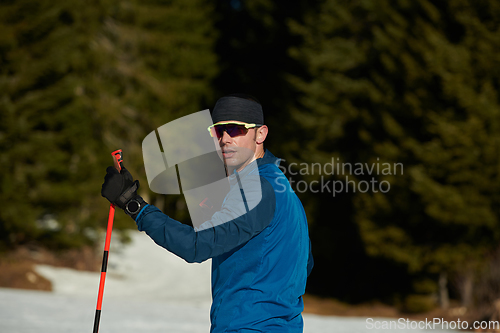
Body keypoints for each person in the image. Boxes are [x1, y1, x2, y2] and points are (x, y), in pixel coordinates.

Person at [101, 93, 314, 332]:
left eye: (235, 129)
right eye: (218, 131)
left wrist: (134, 205)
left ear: (260, 134)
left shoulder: (255, 189)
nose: (224, 139)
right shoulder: (281, 186)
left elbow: (196, 246)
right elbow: (304, 264)